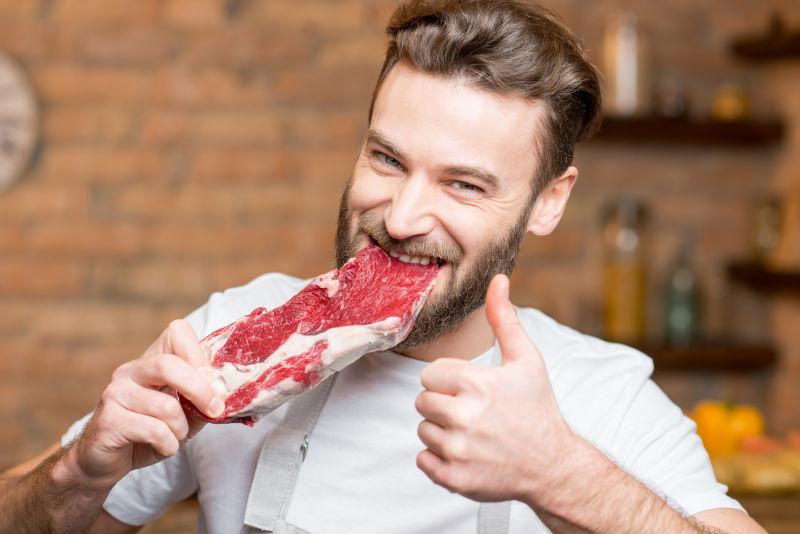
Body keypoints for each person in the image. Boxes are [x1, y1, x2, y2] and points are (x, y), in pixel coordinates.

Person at [0, 1, 767, 533]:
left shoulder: (599, 394)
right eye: (386, 158)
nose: (400, 218)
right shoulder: (230, 339)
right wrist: (80, 470)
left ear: (547, 202)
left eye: (463, 184)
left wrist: (560, 474)